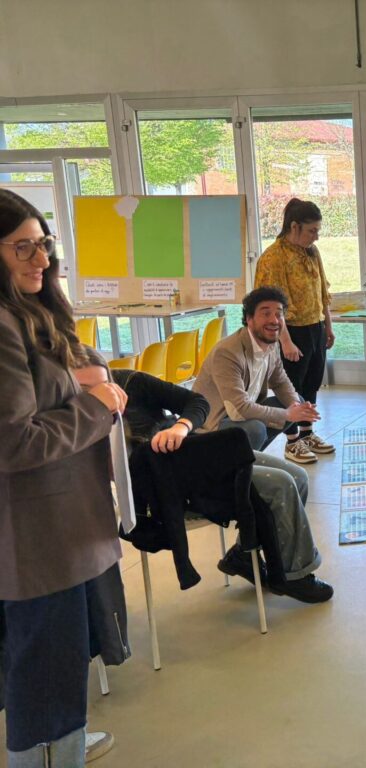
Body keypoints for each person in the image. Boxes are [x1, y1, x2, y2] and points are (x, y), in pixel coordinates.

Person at [0, 189, 126, 767]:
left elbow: (49, 382)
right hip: (36, 528)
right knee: (43, 659)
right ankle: (46, 755)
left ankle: (64, 744)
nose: (41, 259)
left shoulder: (33, 309)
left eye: (43, 243)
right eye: (22, 247)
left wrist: (84, 373)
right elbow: (14, 440)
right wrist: (95, 405)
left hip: (62, 518)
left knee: (62, 651)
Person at [73, 352, 333, 603]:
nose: (102, 394)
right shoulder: (71, 421)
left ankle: (244, 554)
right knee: (281, 485)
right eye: (86, 389)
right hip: (166, 486)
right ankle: (295, 575)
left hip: (192, 452)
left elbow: (197, 402)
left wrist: (181, 426)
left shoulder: (130, 382)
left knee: (297, 475)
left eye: (105, 383)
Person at [193, 287, 323, 465]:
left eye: (279, 314)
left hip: (239, 416)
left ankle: (247, 459)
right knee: (256, 429)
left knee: (295, 401)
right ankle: (232, 466)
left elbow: (280, 382)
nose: (274, 320)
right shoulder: (227, 352)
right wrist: (287, 414)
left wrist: (296, 407)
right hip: (211, 427)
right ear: (249, 319)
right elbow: (239, 409)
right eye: (266, 313)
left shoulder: (271, 343)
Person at [254, 199, 335, 456]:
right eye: (312, 231)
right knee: (290, 388)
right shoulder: (273, 257)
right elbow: (272, 307)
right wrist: (286, 341)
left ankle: (307, 433)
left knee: (311, 384)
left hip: (314, 326)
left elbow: (322, 291)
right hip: (289, 331)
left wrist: (328, 325)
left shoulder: (311, 251)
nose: (316, 236)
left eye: (318, 230)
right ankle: (292, 440)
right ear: (294, 226)